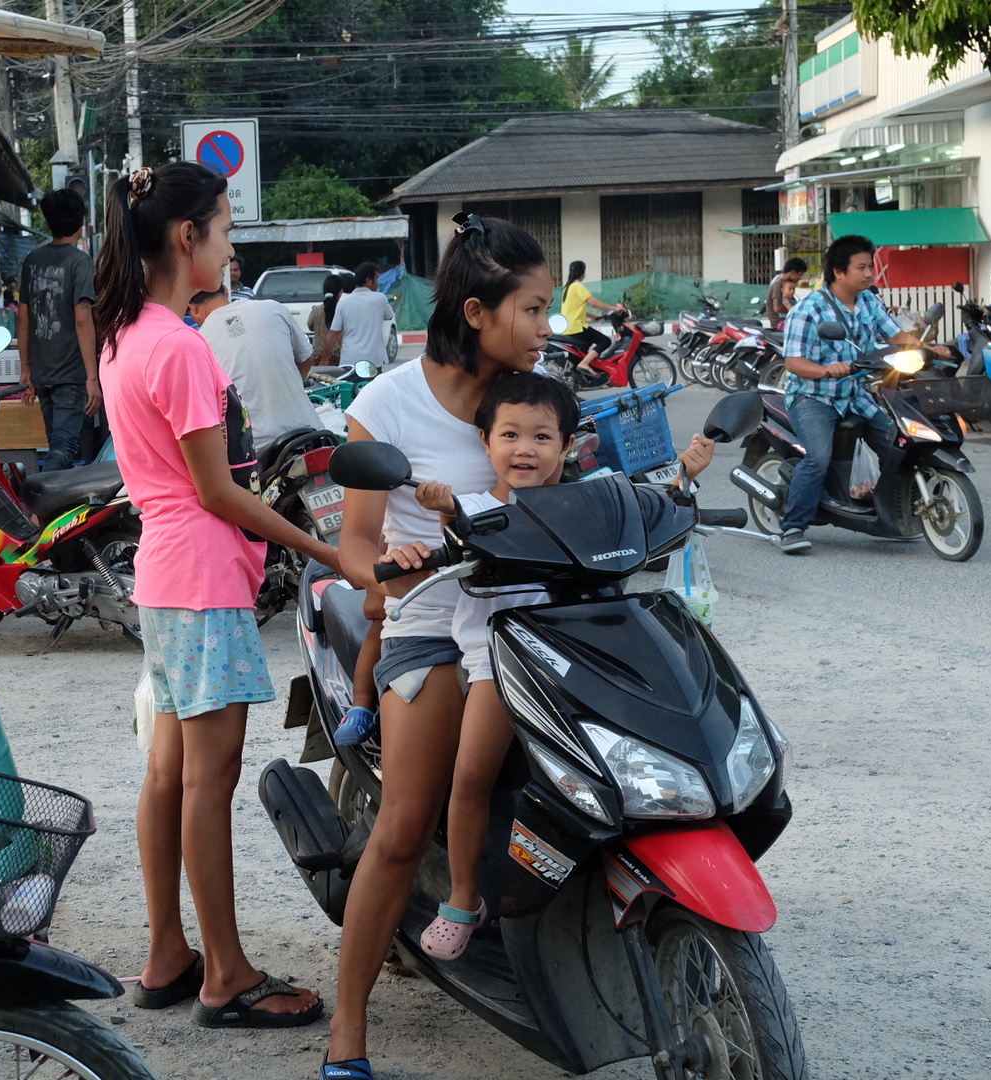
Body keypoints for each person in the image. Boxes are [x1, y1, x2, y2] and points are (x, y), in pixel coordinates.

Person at [322, 213, 704, 1080]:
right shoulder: (385, 405)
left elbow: (593, 491)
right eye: (532, 310)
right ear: (476, 311)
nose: (546, 327)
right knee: (407, 817)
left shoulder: (534, 402)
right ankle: (349, 1026)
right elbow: (354, 547)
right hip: (429, 618)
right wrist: (392, 568)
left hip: (538, 612)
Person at [94, 161, 338, 1031]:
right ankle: (226, 974)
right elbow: (218, 491)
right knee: (208, 779)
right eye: (227, 229)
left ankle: (169, 954)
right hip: (201, 576)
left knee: (169, 773)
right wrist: (324, 549)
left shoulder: (125, 336)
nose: (232, 247)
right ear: (185, 237)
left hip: (164, 577)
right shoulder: (180, 345)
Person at [382, 373, 711, 961]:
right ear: (485, 443)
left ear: (567, 445)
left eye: (541, 436)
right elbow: (460, 523)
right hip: (503, 659)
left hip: (583, 651)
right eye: (509, 434)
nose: (524, 449)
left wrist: (685, 473)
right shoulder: (478, 506)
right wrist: (442, 510)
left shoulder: (587, 500)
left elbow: (640, 500)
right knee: (471, 774)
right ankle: (463, 897)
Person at [777, 233, 945, 555]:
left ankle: (898, 514)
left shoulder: (868, 301)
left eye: (871, 266)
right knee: (818, 457)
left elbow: (895, 335)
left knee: (898, 443)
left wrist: (930, 348)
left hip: (857, 394)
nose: (870, 274)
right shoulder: (809, 310)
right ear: (839, 272)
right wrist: (827, 369)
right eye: (862, 267)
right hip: (814, 397)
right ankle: (793, 526)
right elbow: (794, 362)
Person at [17, 189, 101, 471]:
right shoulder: (80, 261)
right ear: (81, 222)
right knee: (64, 450)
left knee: (57, 445)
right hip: (71, 373)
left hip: (42, 373)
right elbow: (82, 318)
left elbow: (23, 317)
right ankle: (36, 510)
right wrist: (92, 378)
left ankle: (52, 511)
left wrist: (26, 369)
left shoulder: (32, 260)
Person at [187, 285, 323, 448]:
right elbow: (305, 357)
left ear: (192, 309)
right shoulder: (274, 308)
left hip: (255, 447)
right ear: (225, 290)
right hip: (310, 432)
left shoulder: (199, 341)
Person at [317, 263, 393, 370]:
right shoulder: (380, 299)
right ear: (368, 281)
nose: (378, 282)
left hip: (349, 360)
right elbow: (389, 316)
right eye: (376, 278)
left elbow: (334, 333)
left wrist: (325, 359)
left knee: (350, 386)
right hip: (372, 362)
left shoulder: (344, 302)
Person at [558, 260, 623, 372]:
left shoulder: (567, 288)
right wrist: (614, 308)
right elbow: (593, 302)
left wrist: (591, 315)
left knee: (585, 348)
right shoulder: (578, 286)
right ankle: (584, 364)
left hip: (568, 328)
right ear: (583, 273)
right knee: (605, 341)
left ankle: (584, 371)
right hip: (577, 327)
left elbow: (573, 307)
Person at [306, 274, 345, 362]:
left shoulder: (316, 310)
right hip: (340, 358)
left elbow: (310, 326)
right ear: (340, 292)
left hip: (320, 359)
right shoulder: (343, 310)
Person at [767, 256, 808, 329]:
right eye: (800, 275)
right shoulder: (778, 284)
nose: (800, 278)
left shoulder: (787, 283)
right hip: (779, 323)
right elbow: (777, 308)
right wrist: (794, 309)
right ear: (793, 273)